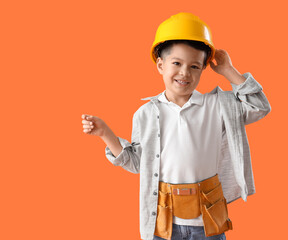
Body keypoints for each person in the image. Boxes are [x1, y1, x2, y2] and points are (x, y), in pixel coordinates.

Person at [81, 12, 271, 240]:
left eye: (194, 66)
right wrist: (105, 133)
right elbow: (136, 164)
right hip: (163, 223)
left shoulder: (218, 105)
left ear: (203, 69)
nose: (184, 72)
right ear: (160, 65)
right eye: (177, 63)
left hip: (208, 221)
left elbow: (260, 106)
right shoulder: (146, 114)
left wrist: (229, 70)